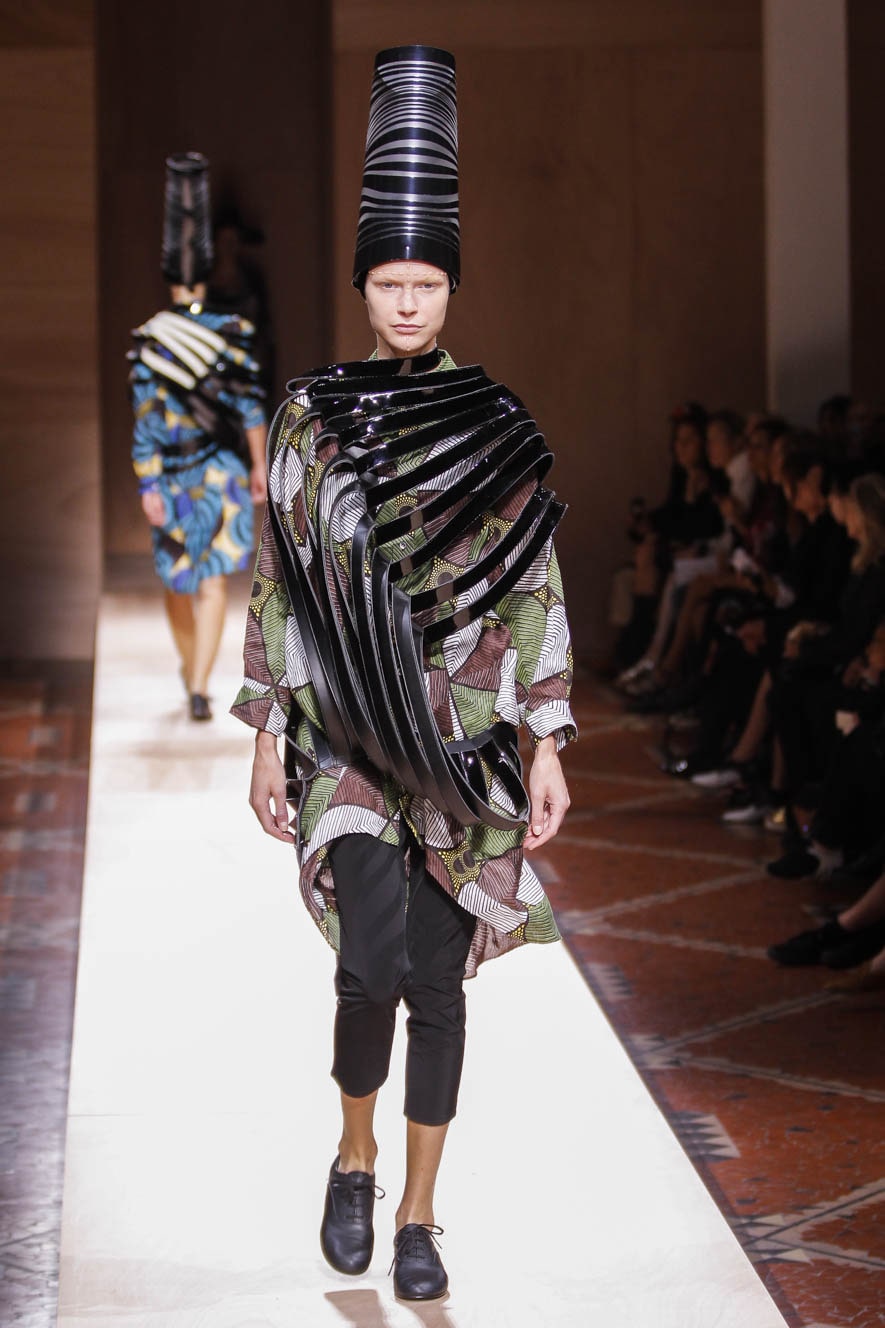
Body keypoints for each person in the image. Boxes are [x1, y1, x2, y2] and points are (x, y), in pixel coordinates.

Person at [232, 47, 575, 1301]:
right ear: (364, 285)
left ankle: (421, 1213)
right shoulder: (312, 418)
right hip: (346, 735)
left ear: (451, 286)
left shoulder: (492, 423)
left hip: (465, 735)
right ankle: (355, 1154)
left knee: (437, 978)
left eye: (428, 282)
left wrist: (546, 736)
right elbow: (280, 573)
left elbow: (534, 584)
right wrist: (263, 732)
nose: (411, 301)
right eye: (391, 281)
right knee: (369, 959)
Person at [130, 154, 268, 721]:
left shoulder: (152, 339)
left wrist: (256, 465)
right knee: (182, 581)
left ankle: (199, 685)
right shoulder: (220, 334)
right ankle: (194, 675)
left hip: (207, 470)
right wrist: (256, 464)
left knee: (203, 582)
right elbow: (247, 406)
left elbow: (149, 423)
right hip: (196, 472)